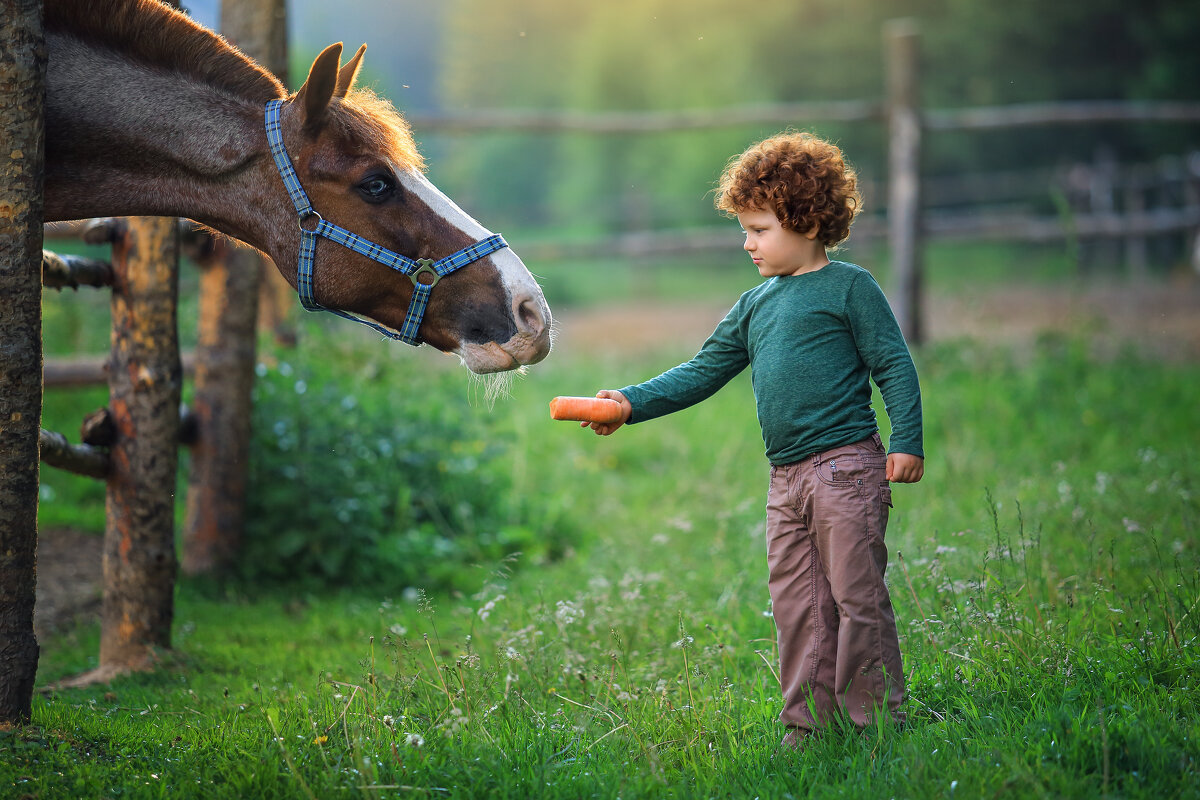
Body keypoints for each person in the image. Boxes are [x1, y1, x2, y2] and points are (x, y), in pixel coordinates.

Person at [582, 131, 924, 746]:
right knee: (799, 608)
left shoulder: (850, 289)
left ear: (808, 221)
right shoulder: (754, 304)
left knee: (856, 600)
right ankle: (806, 728)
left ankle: (877, 724)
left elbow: (893, 364)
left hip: (846, 469)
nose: (747, 242)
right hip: (785, 479)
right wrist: (631, 403)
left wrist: (907, 439)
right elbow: (702, 370)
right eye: (744, 228)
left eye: (760, 228)